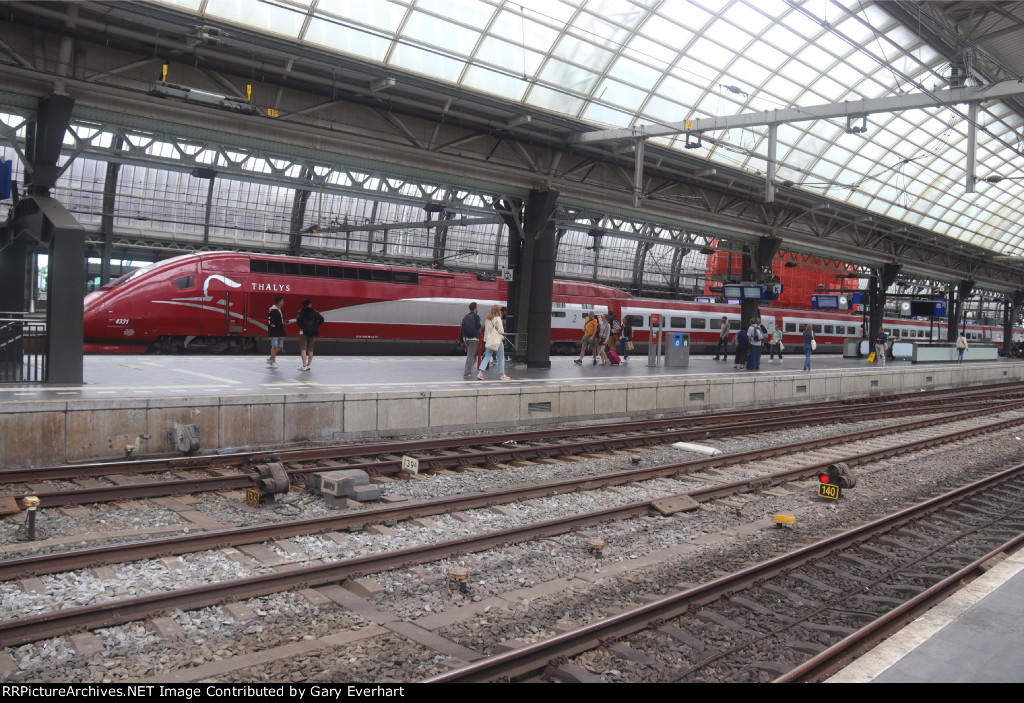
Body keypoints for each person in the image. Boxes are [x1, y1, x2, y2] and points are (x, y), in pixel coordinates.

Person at [478, 304, 510, 381]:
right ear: (498, 311)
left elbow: (486, 331)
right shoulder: (498, 318)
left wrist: (486, 340)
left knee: (487, 357)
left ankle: (480, 373)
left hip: (489, 341)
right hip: (497, 341)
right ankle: (502, 375)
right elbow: (501, 330)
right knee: (501, 357)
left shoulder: (487, 319)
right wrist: (503, 336)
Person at [295, 298, 325, 371]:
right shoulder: (315, 312)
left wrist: (302, 327)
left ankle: (304, 365)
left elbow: (298, 320)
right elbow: (322, 319)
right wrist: (316, 326)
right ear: (310, 304)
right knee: (310, 350)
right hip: (312, 332)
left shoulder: (300, 312)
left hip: (303, 332)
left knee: (303, 349)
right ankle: (308, 365)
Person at [460, 302, 482, 378]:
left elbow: (461, 329)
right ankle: (466, 373)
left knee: (470, 356)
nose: (478, 308)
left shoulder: (466, 317)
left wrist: (461, 341)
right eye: (477, 307)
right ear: (475, 308)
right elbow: (478, 326)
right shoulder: (476, 316)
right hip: (473, 339)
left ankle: (468, 371)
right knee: (470, 356)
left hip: (466, 339)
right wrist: (480, 324)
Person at [266, 296, 285, 368]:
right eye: (282, 301)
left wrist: (282, 324)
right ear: (279, 302)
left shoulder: (279, 310)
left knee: (280, 347)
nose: (283, 302)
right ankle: (273, 361)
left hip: (280, 331)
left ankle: (270, 359)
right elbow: (272, 322)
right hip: (275, 331)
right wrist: (281, 324)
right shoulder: (273, 311)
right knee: (274, 347)